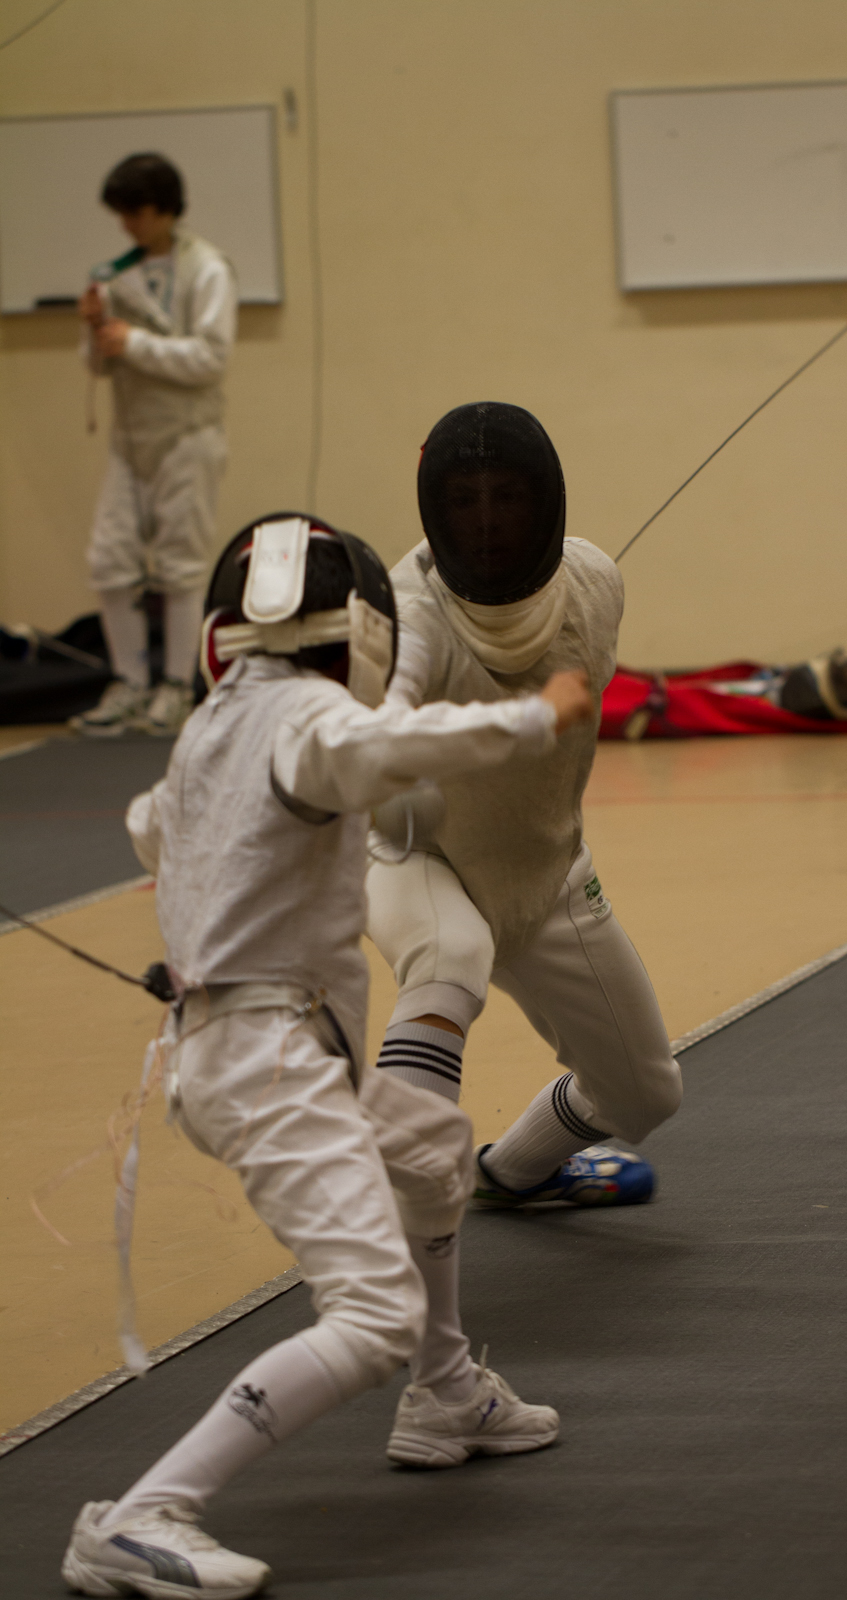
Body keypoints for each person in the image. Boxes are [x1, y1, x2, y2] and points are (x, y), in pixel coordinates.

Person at [62, 512, 592, 1599]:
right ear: (358, 627)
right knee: (370, 1313)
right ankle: (140, 1517)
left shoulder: (212, 726)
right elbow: (378, 747)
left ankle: (446, 1392)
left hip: (247, 1048)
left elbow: (151, 829)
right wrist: (534, 715)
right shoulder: (309, 719)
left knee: (431, 1148)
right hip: (270, 1064)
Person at [366, 401, 682, 1224]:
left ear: (544, 501)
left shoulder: (595, 580)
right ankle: (385, 1236)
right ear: (434, 512)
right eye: (463, 501)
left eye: (506, 496)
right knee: (451, 955)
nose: (486, 521)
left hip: (544, 870)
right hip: (418, 855)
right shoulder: (405, 619)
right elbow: (383, 734)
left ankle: (511, 1174)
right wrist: (529, 716)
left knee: (645, 1094)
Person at [70, 152, 236, 738]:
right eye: (121, 214)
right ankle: (130, 683)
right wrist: (94, 328)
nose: (127, 225)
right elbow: (97, 364)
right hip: (129, 440)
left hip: (187, 438)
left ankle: (175, 688)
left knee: (179, 566)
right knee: (109, 561)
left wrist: (134, 342)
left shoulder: (208, 269)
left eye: (136, 212)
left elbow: (211, 358)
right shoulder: (115, 273)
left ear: (165, 208)